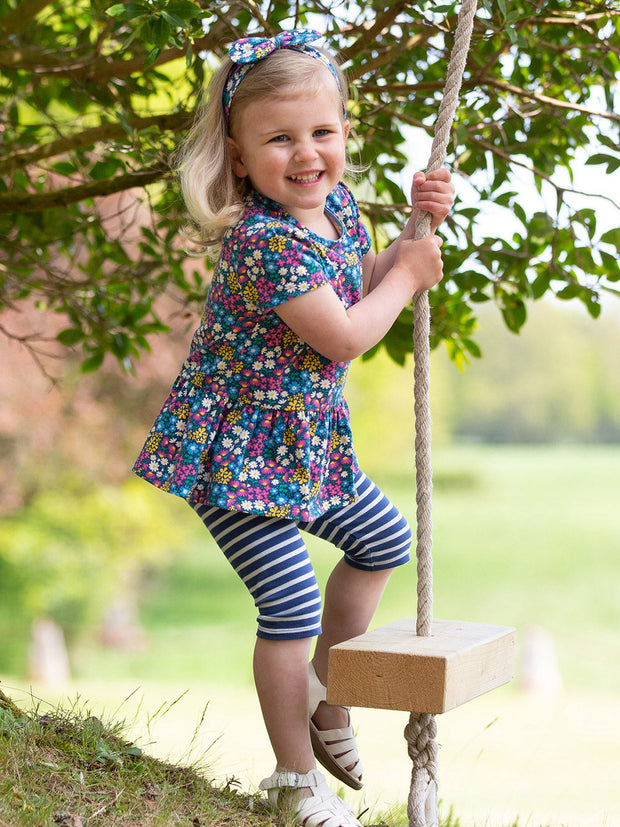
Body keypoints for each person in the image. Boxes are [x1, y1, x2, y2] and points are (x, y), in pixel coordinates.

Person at [133, 28, 454, 827]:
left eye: (322, 132)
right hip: (236, 457)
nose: (306, 153)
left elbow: (360, 284)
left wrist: (411, 236)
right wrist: (409, 277)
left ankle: (325, 690)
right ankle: (295, 780)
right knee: (289, 602)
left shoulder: (336, 208)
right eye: (279, 138)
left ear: (345, 135)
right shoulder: (262, 243)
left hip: (304, 448)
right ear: (240, 157)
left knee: (383, 540)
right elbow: (344, 334)